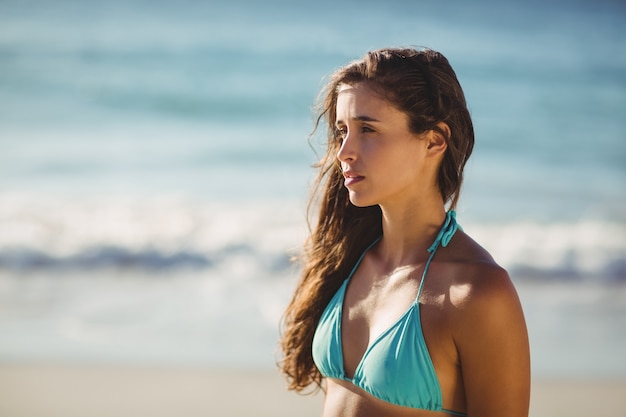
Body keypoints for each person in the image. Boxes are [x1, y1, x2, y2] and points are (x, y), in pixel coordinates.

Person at [279, 47, 530, 417]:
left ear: (433, 141)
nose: (343, 152)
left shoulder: (477, 293)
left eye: (368, 129)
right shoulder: (349, 258)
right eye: (342, 131)